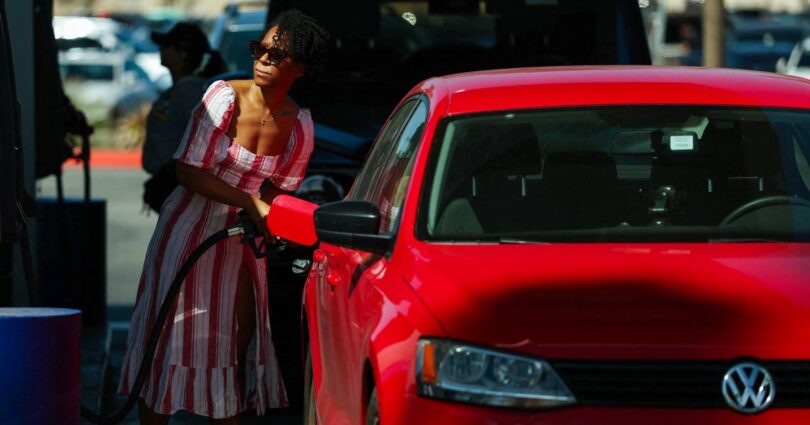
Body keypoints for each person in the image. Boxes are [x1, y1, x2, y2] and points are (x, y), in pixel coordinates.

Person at [119, 10, 329, 424]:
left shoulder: (300, 125)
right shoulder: (223, 97)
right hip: (186, 232)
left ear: (301, 68)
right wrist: (251, 202)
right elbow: (188, 170)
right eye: (259, 48)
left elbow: (278, 190)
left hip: (240, 244)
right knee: (167, 340)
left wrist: (274, 213)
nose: (263, 59)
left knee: (232, 348)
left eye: (277, 54)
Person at [141, 21, 227, 213]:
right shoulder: (187, 89)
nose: (161, 50)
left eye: (167, 46)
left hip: (180, 186)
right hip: (175, 184)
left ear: (182, 53)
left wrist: (171, 173)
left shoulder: (189, 91)